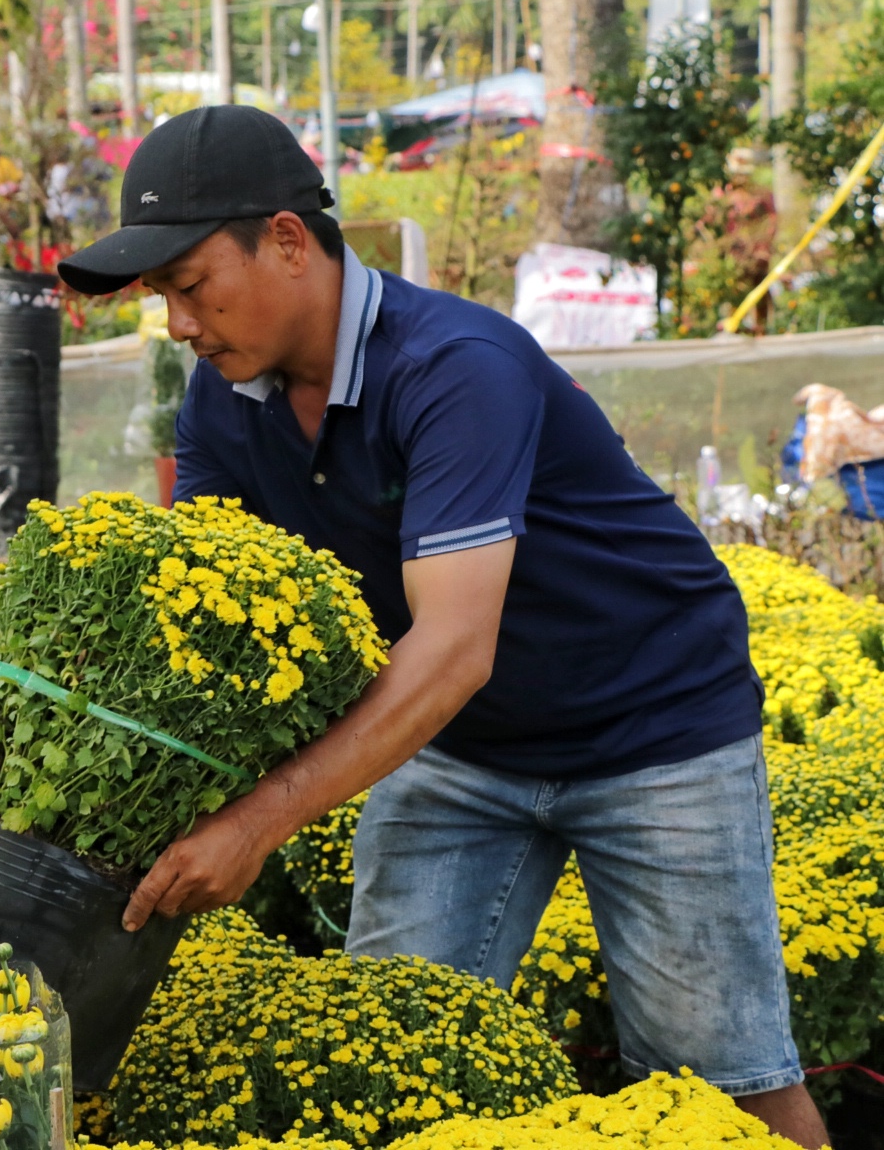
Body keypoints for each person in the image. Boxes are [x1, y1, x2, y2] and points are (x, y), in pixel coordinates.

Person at [56, 105, 828, 1150]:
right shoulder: (222, 404)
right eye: (160, 299)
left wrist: (251, 824)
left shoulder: (454, 365)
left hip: (651, 726)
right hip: (459, 747)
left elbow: (452, 647)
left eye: (190, 286)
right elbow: (185, 621)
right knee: (387, 1051)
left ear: (286, 240)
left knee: (720, 1081)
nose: (180, 324)